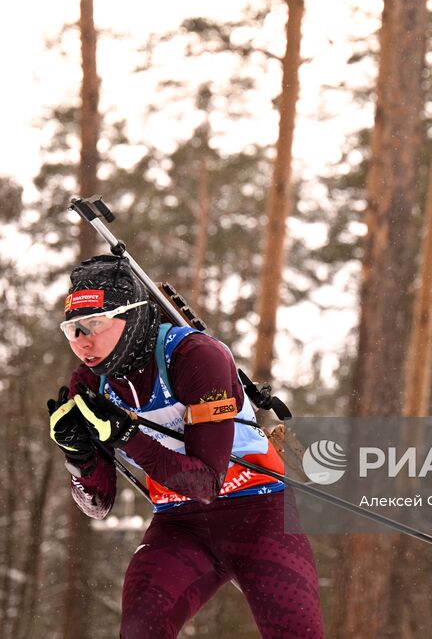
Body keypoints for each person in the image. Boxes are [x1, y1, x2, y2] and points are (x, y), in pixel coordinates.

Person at [48, 254, 324, 639]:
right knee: (141, 631)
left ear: (130, 319)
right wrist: (78, 457)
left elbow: (205, 484)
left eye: (94, 324)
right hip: (180, 526)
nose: (83, 341)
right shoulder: (91, 384)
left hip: (259, 514)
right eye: (73, 329)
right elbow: (99, 505)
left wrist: (127, 436)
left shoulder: (196, 357)